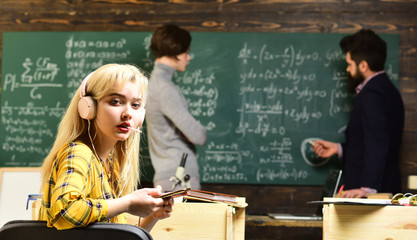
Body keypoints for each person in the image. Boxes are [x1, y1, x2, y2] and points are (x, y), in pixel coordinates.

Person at [38, 63, 173, 231]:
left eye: (136, 105)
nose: (128, 113)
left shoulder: (110, 166)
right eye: (116, 102)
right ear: (88, 107)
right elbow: (65, 211)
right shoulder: (78, 154)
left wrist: (153, 217)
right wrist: (128, 202)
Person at [312, 29, 404, 198]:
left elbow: (378, 142)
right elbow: (372, 141)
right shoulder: (386, 89)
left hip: (374, 198)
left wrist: (368, 188)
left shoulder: (372, 94)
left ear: (363, 65)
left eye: (350, 64)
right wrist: (338, 149)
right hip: (382, 190)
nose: (347, 69)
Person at [146, 24, 207, 192]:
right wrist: (197, 132)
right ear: (176, 52)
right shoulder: (165, 89)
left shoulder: (155, 84)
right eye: (186, 52)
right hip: (178, 177)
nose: (189, 57)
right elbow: (199, 136)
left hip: (168, 175)